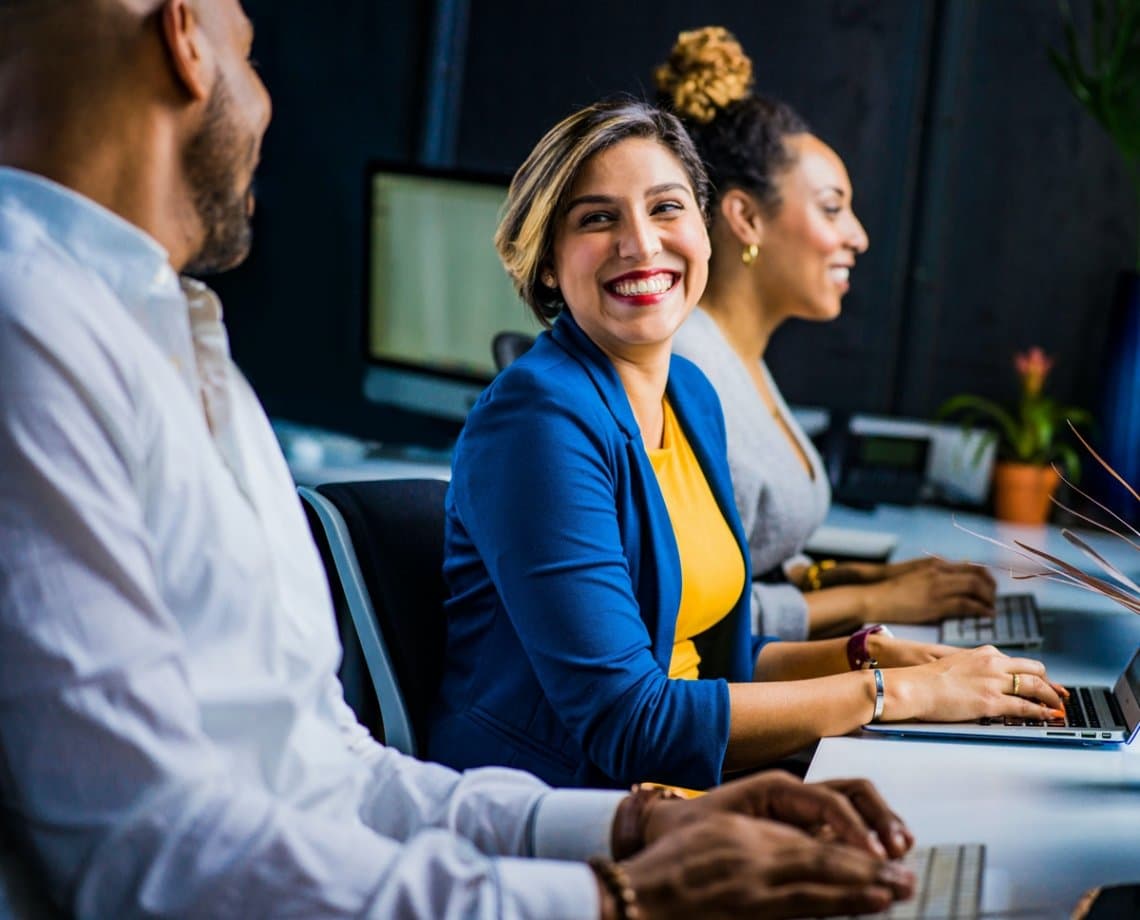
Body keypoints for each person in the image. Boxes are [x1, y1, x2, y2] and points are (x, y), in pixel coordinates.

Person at [0, 1, 923, 917]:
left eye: (664, 208)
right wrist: (612, 895)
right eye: (251, 51)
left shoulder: (177, 342)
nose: (270, 102)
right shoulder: (31, 330)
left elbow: (333, 770)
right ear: (184, 39)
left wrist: (632, 837)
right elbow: (148, 851)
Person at [431, 96, 1066, 793]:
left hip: (684, 786)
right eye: (597, 218)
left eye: (666, 208)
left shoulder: (692, 396)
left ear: (705, 232)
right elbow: (629, 723)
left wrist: (873, 657)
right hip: (565, 808)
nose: (642, 243)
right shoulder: (537, 421)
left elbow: (715, 664)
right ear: (548, 263)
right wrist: (895, 693)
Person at [659, 26, 1000, 641]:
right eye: (832, 207)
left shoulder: (739, 359)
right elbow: (695, 619)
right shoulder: (688, 372)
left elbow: (752, 563)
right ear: (745, 216)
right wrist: (877, 602)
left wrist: (860, 581)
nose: (858, 236)